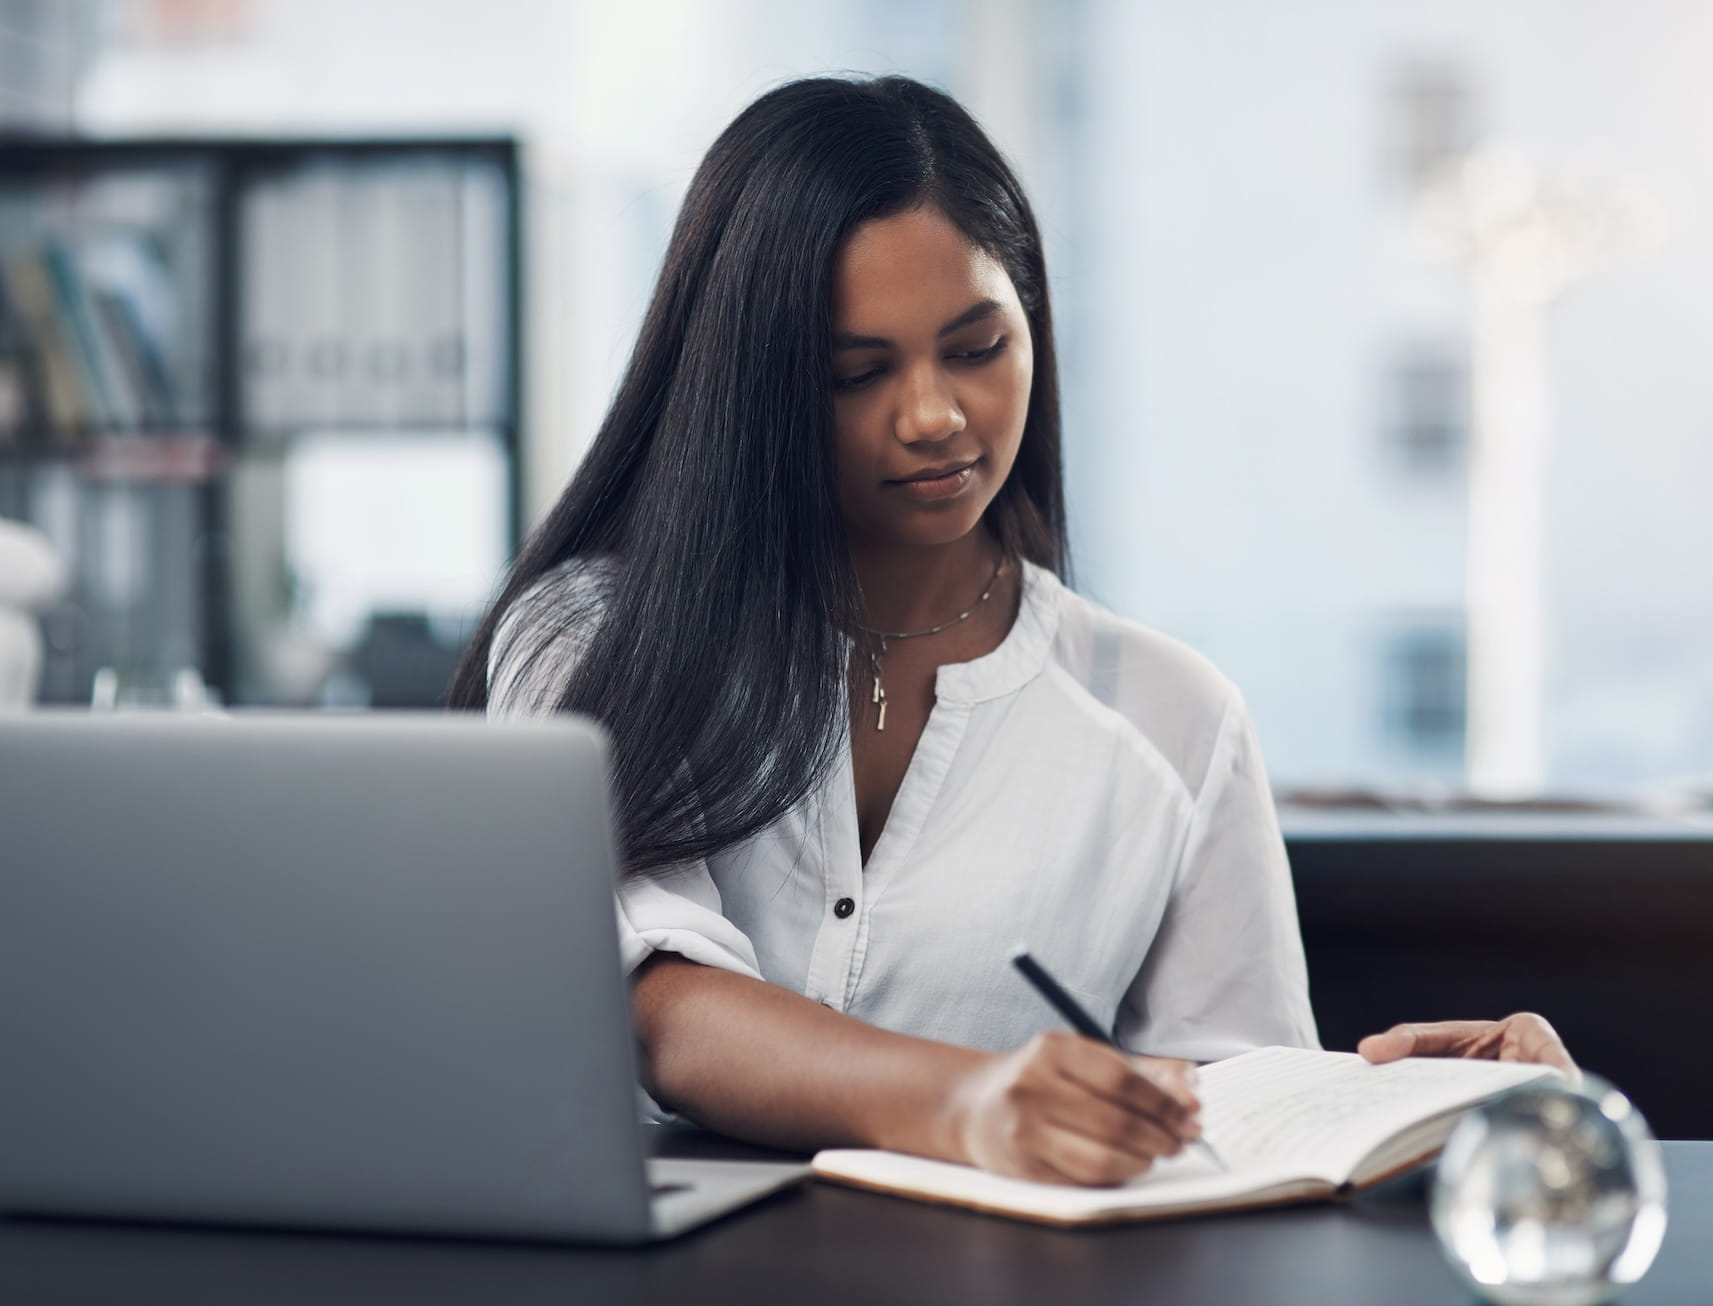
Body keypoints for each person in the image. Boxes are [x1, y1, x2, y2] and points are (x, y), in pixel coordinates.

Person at [448, 75, 1572, 1188]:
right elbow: (655, 1007)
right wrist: (970, 1102)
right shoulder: (593, 637)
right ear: (750, 386)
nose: (934, 415)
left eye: (978, 348)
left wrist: (1411, 1110)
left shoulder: (1176, 718)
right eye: (856, 373)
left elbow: (1225, 1120)